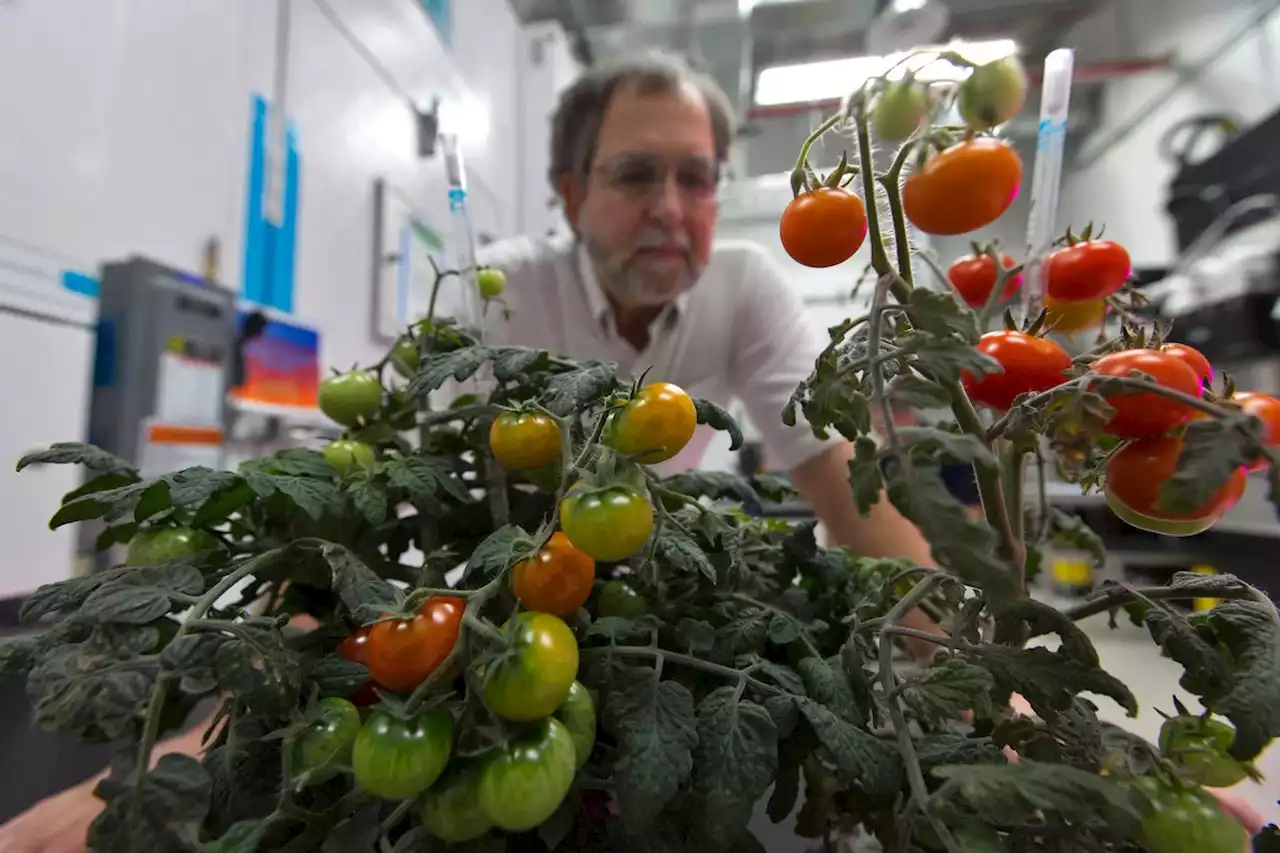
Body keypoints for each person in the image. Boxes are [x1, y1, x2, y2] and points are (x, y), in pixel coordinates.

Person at [1, 49, 1264, 852]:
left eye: (699, 178)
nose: (673, 208)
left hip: (646, 587)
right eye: (635, 174)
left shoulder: (746, 293)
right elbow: (350, 527)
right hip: (491, 600)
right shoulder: (490, 301)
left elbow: (843, 495)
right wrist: (195, 748)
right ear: (565, 193)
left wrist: (1002, 702)